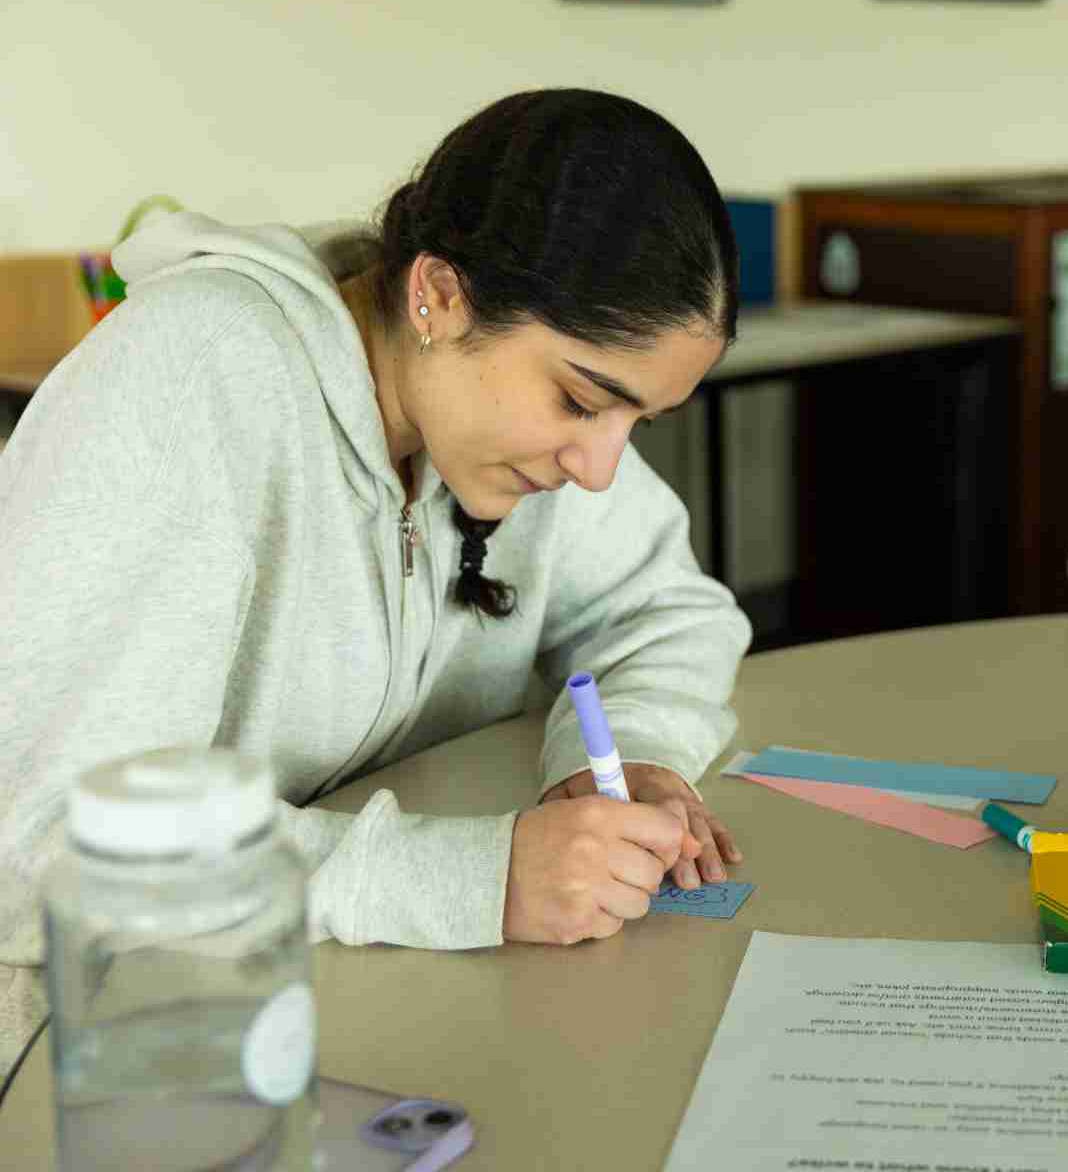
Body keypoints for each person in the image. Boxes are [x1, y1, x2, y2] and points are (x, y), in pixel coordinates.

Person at [0, 89, 751, 1060]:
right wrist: (471, 878)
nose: (599, 469)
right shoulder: (187, 378)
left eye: (634, 422)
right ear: (436, 295)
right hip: (98, 1044)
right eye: (578, 400)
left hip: (341, 994)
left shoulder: (500, 411)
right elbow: (48, 840)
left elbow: (669, 612)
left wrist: (630, 750)